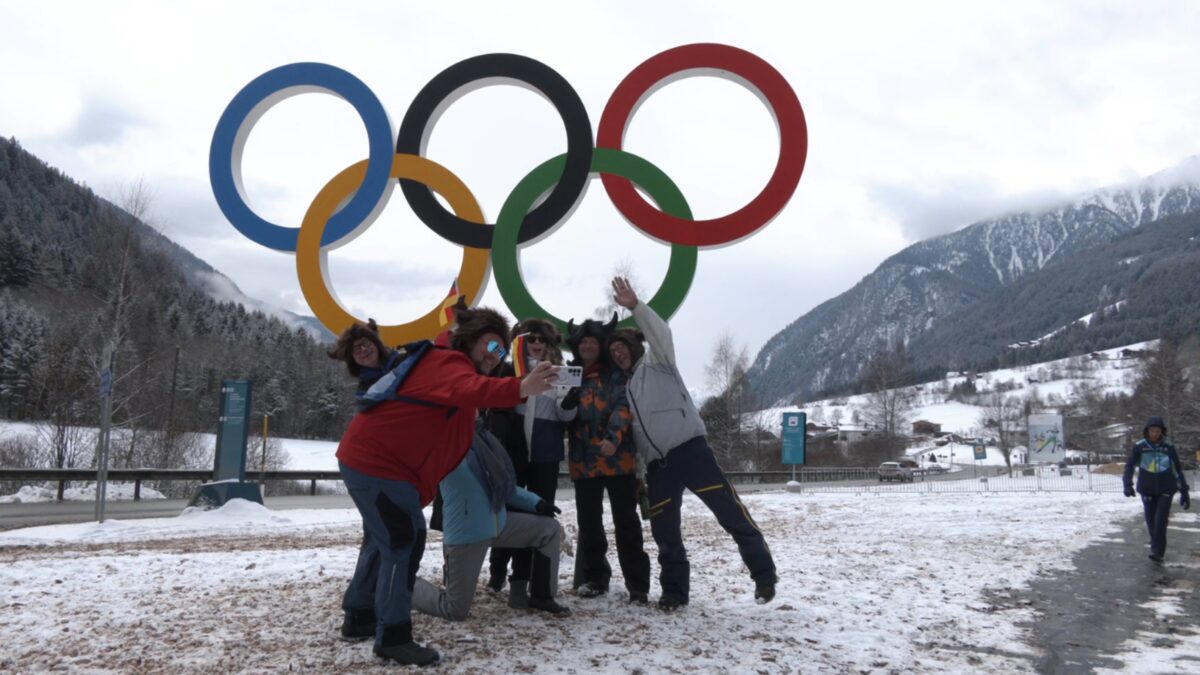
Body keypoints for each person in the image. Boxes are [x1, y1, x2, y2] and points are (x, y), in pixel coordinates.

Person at [328, 308, 559, 666]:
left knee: (382, 539)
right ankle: (392, 635)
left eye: (500, 352)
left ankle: (359, 615)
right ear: (470, 339)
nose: (493, 355)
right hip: (379, 465)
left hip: (377, 465)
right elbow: (471, 389)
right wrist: (521, 387)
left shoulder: (452, 370)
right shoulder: (448, 363)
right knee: (405, 539)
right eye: (490, 344)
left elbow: (464, 408)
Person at [608, 276, 778, 611]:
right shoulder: (629, 389)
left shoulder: (659, 363)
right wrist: (642, 470)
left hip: (691, 451)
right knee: (664, 531)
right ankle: (674, 593)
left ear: (634, 349)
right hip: (659, 467)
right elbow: (640, 434)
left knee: (729, 512)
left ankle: (764, 575)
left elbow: (661, 333)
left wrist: (635, 306)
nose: (617, 355)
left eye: (621, 349)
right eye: (613, 353)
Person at [413, 421, 570, 621]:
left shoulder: (483, 441)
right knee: (454, 610)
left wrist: (537, 503)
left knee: (549, 529)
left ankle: (542, 596)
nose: (476, 409)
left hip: (498, 524)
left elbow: (503, 486)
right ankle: (402, 586)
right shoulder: (442, 445)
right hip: (467, 534)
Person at [485, 319, 577, 611]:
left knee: (540, 520)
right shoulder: (508, 365)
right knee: (509, 514)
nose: (536, 343)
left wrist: (570, 400)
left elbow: (565, 418)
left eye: (542, 338)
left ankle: (530, 587)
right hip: (513, 453)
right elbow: (486, 352)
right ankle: (497, 572)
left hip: (545, 455)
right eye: (530, 338)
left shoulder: (558, 370)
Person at [565, 313, 651, 602]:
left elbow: (622, 406)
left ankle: (637, 584)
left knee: (626, 522)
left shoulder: (615, 375)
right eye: (583, 341)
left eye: (592, 341)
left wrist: (613, 439)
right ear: (576, 345)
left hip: (618, 460)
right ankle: (594, 578)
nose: (587, 346)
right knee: (589, 524)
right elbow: (558, 414)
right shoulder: (568, 375)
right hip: (582, 461)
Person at [1123, 416, 1190, 563]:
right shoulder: (1140, 446)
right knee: (1151, 519)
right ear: (1147, 431)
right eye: (1152, 430)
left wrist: (1184, 491)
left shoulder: (1169, 447)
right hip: (1147, 488)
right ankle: (1156, 545)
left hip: (1166, 487)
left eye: (1157, 431)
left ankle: (1157, 551)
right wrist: (1127, 484)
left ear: (1162, 431)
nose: (1154, 433)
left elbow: (1177, 469)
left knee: (1161, 519)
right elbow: (1129, 466)